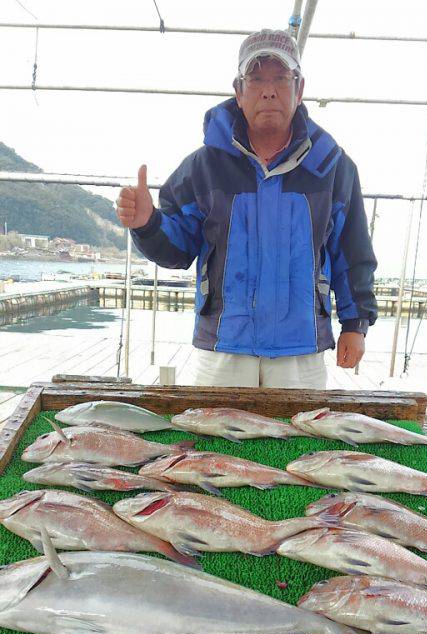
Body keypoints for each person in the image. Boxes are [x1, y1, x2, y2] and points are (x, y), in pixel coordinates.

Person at [116, 29, 377, 388]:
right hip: (223, 349)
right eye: (255, 79)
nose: (268, 90)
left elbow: (353, 252)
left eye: (281, 79)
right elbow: (178, 250)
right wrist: (147, 223)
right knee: (211, 444)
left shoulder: (333, 167)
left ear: (299, 90)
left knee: (300, 442)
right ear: (238, 92)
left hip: (300, 351)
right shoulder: (203, 166)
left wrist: (355, 324)